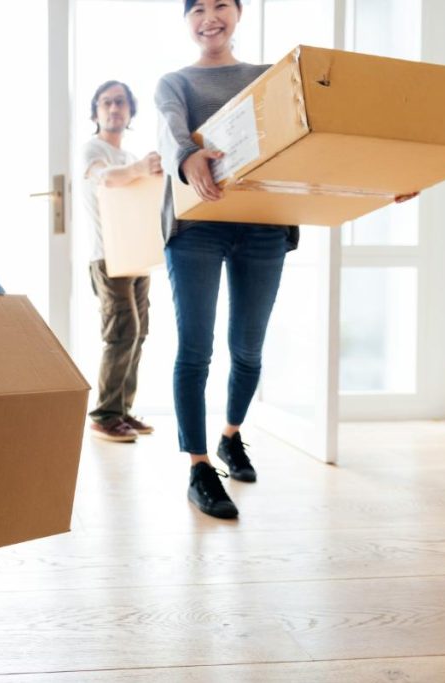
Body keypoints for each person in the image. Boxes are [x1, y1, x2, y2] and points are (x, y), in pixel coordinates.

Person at [155, 0, 300, 519]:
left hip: (262, 225)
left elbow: (305, 137)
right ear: (186, 20)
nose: (209, 17)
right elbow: (171, 129)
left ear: (239, 13)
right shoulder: (176, 82)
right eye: (198, 8)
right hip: (197, 228)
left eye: (221, 5)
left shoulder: (269, 76)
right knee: (195, 350)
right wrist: (187, 156)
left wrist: (381, 184)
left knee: (249, 349)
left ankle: (230, 437)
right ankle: (198, 467)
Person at [82, 80, 162, 443]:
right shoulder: (92, 150)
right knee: (121, 333)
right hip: (108, 256)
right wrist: (141, 170)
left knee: (139, 333)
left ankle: (122, 410)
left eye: (121, 103)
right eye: (107, 103)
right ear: (96, 111)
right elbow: (107, 179)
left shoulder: (130, 158)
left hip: (136, 255)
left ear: (130, 112)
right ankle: (104, 415)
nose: (114, 109)